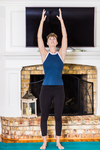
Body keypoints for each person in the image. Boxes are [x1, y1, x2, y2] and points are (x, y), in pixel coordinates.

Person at [37, 8, 67, 150]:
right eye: (50, 39)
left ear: (56, 42)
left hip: (59, 89)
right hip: (46, 89)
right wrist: (42, 22)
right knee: (44, 116)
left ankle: (57, 142)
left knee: (58, 117)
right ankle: (44, 142)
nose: (52, 40)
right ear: (48, 43)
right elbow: (38, 38)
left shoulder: (61, 54)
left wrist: (61, 21)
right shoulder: (45, 55)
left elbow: (65, 38)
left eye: (54, 38)